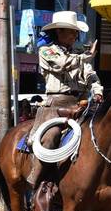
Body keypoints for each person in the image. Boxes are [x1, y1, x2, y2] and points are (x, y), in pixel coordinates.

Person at [26, 10, 103, 189]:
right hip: (56, 105)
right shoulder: (46, 51)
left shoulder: (79, 52)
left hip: (81, 103)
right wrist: (85, 56)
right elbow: (63, 63)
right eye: (72, 31)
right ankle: (35, 178)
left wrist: (97, 91)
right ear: (59, 31)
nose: (76, 35)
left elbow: (90, 74)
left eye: (76, 31)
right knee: (50, 138)